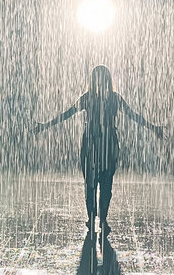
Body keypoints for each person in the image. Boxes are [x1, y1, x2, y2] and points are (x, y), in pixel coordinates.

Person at [34, 65, 162, 233]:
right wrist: (45, 126)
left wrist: (153, 128)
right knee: (98, 184)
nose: (100, 81)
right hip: (103, 144)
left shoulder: (99, 99)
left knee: (97, 184)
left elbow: (67, 114)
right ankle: (97, 218)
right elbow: (68, 113)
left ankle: (97, 218)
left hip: (96, 144)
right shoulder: (101, 98)